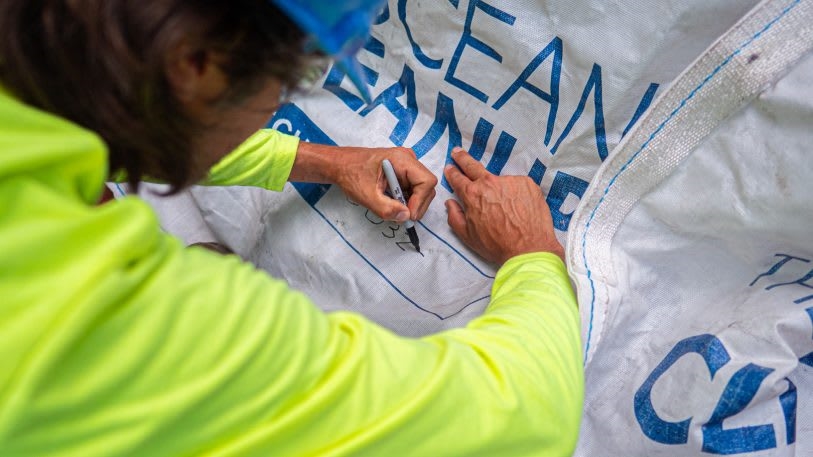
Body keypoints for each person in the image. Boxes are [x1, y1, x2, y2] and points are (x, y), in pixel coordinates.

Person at [0, 1, 583, 455]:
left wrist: (322, 161)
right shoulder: (139, 322)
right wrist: (532, 256)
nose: (281, 97)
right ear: (196, 66)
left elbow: (118, 113)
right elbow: (520, 418)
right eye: (285, 79)